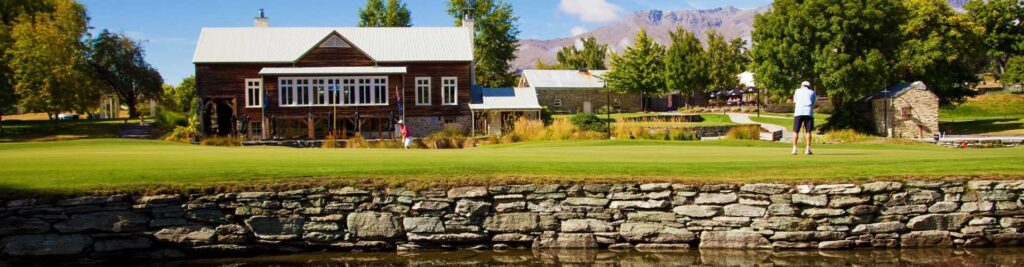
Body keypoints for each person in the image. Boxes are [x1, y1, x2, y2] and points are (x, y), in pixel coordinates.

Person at [792, 81, 816, 155]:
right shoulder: (812, 92)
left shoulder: (797, 91)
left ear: (802, 85)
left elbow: (795, 102)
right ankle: (807, 149)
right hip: (808, 113)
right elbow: (813, 104)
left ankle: (794, 149)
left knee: (795, 131)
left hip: (798, 113)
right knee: (808, 131)